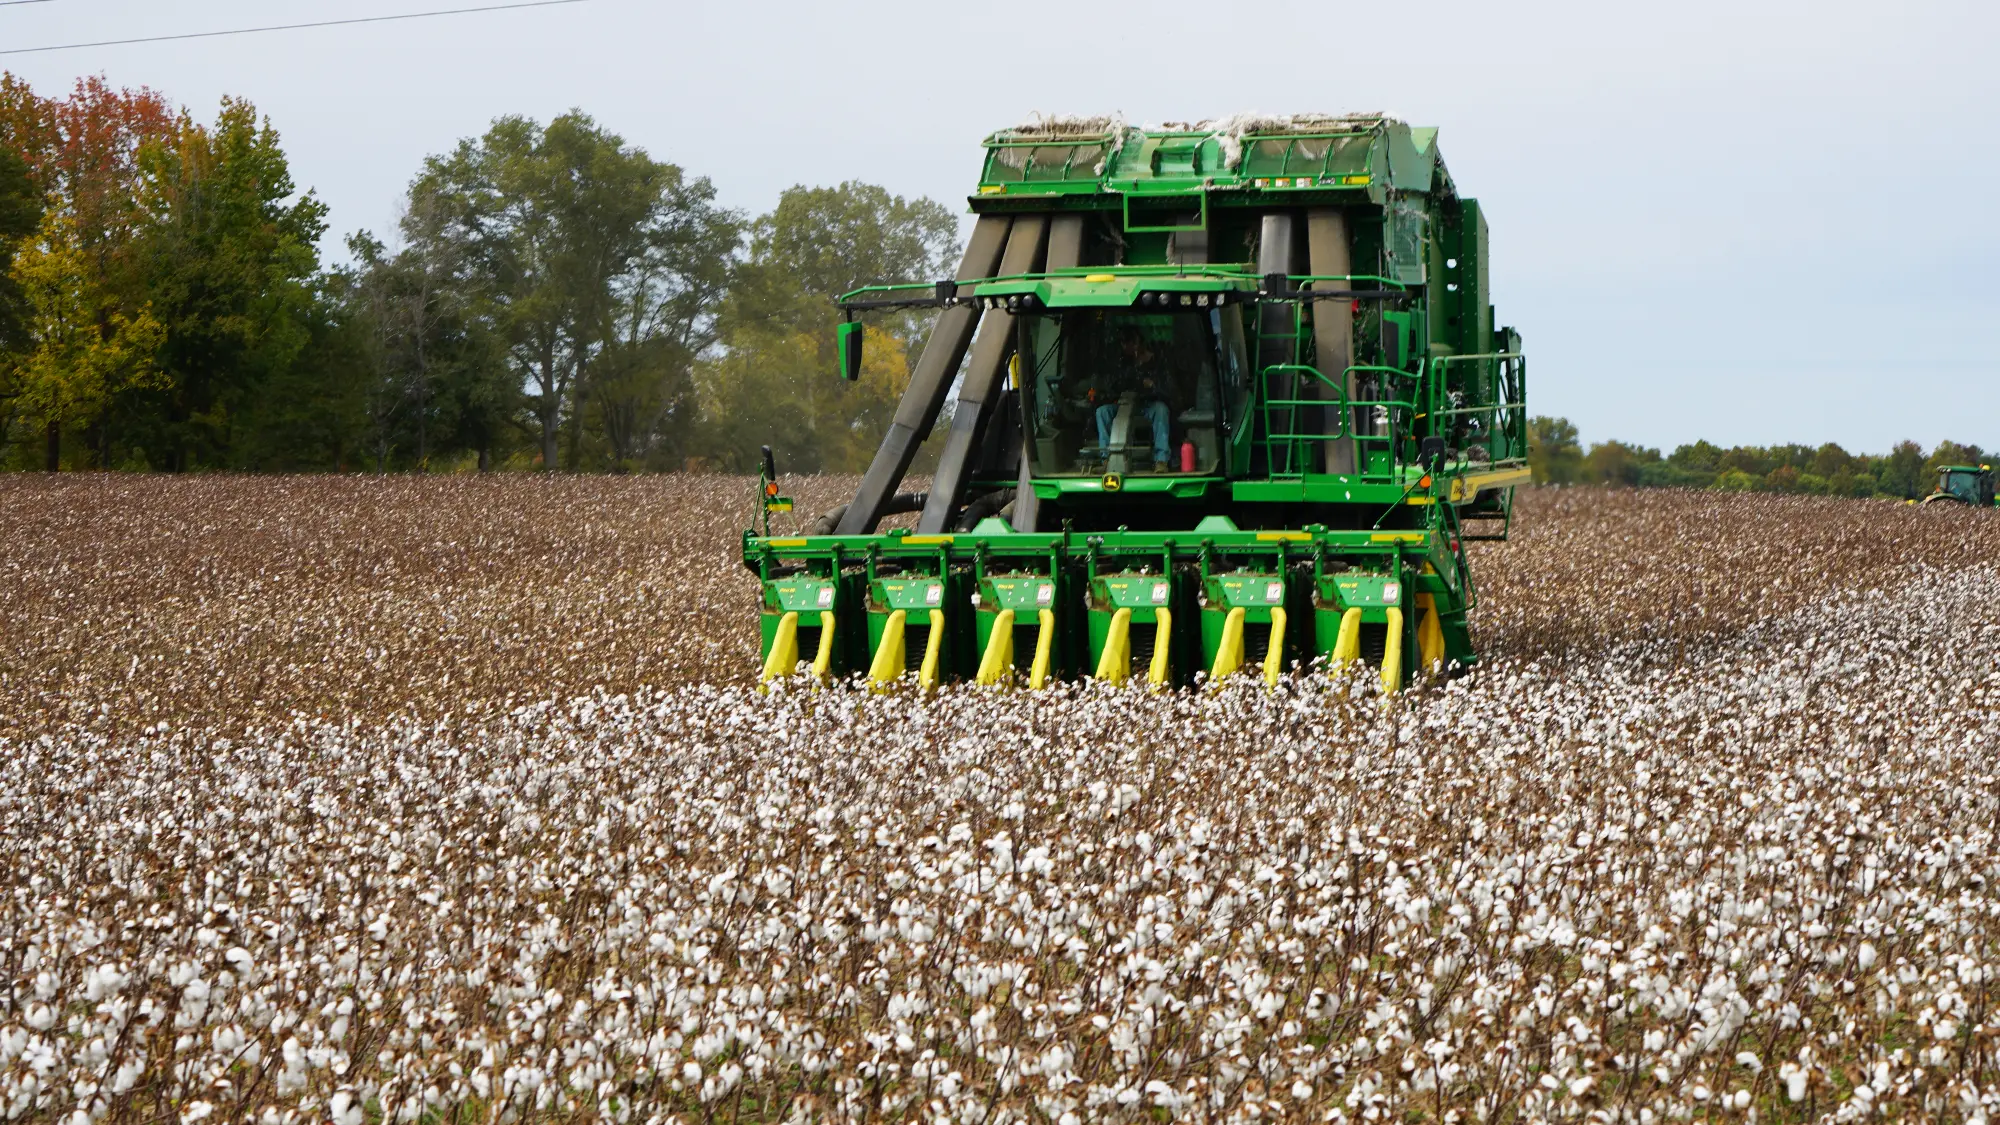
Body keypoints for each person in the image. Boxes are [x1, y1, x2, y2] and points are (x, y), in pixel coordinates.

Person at [1090, 331, 1173, 470]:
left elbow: (1166, 390)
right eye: (1126, 344)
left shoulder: (1157, 362)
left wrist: (1152, 385)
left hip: (1147, 405)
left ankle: (1161, 460)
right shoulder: (1122, 362)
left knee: (1161, 409)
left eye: (1133, 343)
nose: (1130, 347)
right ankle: (1106, 459)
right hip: (1123, 405)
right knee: (1102, 412)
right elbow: (1112, 384)